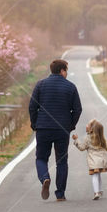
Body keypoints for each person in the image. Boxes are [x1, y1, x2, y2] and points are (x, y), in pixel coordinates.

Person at [29, 58, 82, 201]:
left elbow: (32, 107)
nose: (67, 74)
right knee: (62, 161)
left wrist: (35, 124)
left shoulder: (40, 85)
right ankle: (60, 194)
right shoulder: (70, 87)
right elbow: (78, 109)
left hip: (43, 128)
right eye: (66, 71)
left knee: (41, 158)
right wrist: (70, 125)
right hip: (62, 129)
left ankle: (45, 178)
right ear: (62, 71)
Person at [72, 119, 107, 200]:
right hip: (101, 161)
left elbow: (81, 148)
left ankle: (96, 192)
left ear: (91, 129)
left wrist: (76, 140)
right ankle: (100, 190)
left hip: (93, 161)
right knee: (98, 175)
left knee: (94, 176)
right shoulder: (101, 139)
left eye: (88, 125)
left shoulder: (88, 138)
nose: (86, 126)